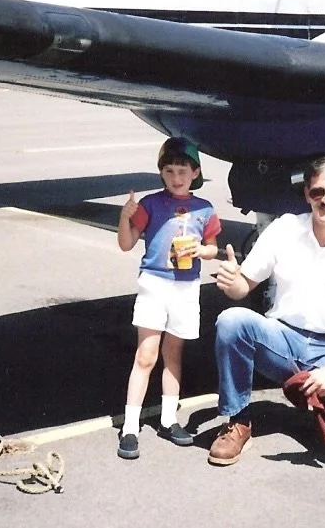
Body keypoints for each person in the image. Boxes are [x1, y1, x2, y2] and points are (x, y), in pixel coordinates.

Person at [208, 155, 325, 466]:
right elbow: (244, 285)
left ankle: (324, 412)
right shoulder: (284, 229)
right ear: (307, 193)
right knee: (231, 321)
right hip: (281, 340)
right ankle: (238, 421)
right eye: (318, 192)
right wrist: (233, 281)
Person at [116, 137, 221, 460]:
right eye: (170, 171)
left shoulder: (205, 209)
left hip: (186, 287)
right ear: (161, 173)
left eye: (183, 171)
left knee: (173, 355)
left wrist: (201, 250)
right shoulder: (150, 204)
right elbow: (126, 243)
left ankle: (167, 419)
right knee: (146, 356)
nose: (176, 177)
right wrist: (125, 216)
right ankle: (130, 426)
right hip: (155, 284)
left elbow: (213, 247)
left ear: (195, 172)